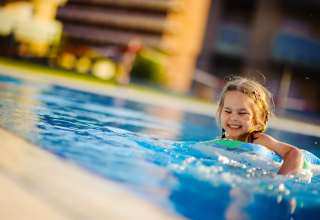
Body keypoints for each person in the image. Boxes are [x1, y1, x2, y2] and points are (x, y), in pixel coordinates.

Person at [216, 77, 304, 175]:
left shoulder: (257, 139)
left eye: (242, 113)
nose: (233, 118)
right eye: (228, 111)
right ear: (220, 111)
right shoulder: (222, 140)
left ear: (258, 117)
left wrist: (280, 179)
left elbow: (294, 153)